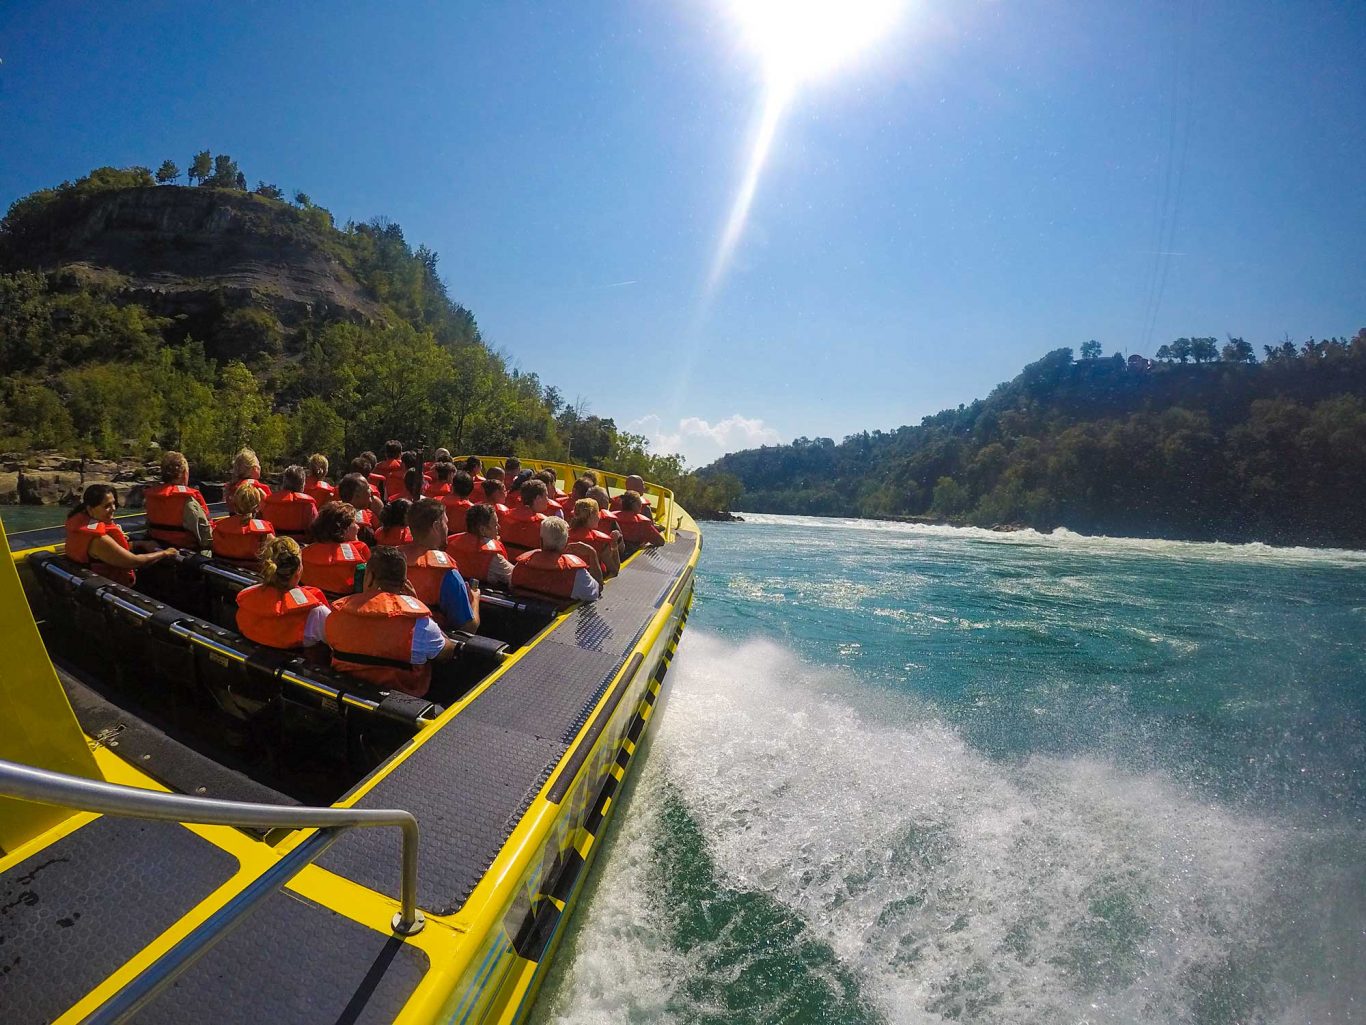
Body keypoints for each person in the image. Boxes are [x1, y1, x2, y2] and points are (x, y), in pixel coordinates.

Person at [325, 546, 461, 697]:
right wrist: (417, 606)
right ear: (404, 584)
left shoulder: (336, 613)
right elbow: (447, 653)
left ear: (369, 577)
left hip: (346, 699)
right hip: (398, 711)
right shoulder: (419, 624)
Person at [65, 483, 177, 585]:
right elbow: (134, 561)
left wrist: (141, 543)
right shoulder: (98, 540)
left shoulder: (83, 524)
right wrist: (165, 553)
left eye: (114, 503)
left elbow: (113, 552)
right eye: (107, 506)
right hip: (111, 588)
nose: (113, 508)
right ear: (90, 509)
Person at [235, 536, 331, 650]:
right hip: (295, 667)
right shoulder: (316, 614)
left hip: (250, 662)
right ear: (298, 570)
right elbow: (335, 644)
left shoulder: (246, 597)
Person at [401, 498, 479, 632]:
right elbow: (468, 628)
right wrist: (475, 600)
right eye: (446, 523)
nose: (447, 528)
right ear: (437, 526)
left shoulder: (391, 561)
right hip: (432, 645)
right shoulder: (448, 575)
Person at [511, 517, 601, 603]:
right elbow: (596, 591)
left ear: (541, 542)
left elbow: (511, 586)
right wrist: (592, 554)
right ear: (566, 543)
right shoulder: (575, 573)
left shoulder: (520, 565)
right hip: (559, 617)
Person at [143, 451, 212, 549]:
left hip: (159, 549)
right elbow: (206, 537)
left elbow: (149, 528)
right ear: (184, 473)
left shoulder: (151, 498)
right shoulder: (187, 501)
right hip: (184, 553)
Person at [301, 501, 371, 595]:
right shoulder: (360, 549)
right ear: (344, 529)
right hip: (346, 604)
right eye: (354, 523)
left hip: (316, 603)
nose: (358, 527)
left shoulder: (304, 553)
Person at [446, 503, 514, 589]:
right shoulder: (493, 558)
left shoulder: (449, 544)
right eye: (495, 524)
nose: (499, 527)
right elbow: (516, 578)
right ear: (482, 530)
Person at [212, 482, 276, 564]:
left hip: (220, 574)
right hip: (251, 575)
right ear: (257, 507)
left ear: (234, 504)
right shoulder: (263, 534)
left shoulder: (218, 528)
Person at [259, 465, 318, 542]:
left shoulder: (268, 503)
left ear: (284, 482)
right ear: (302, 485)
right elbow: (315, 530)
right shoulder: (308, 505)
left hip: (274, 545)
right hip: (300, 546)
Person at [568, 498, 621, 577]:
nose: (599, 518)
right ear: (592, 516)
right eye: (597, 514)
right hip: (592, 582)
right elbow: (614, 570)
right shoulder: (600, 541)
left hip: (569, 580)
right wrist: (614, 547)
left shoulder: (563, 536)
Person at [502, 478, 552, 554]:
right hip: (527, 564)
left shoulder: (504, 516)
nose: (548, 500)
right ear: (538, 498)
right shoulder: (543, 524)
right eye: (546, 496)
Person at [441, 470, 476, 535]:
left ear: (452, 487)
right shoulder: (474, 511)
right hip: (462, 543)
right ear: (471, 490)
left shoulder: (440, 503)